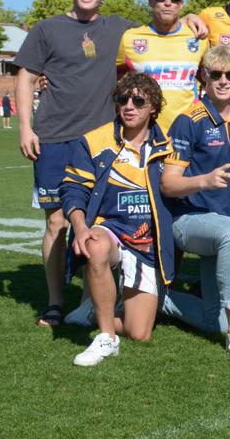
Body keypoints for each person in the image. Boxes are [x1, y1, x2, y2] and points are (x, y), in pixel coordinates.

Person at [13, 0, 204, 328]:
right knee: (56, 221)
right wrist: (25, 127)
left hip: (103, 139)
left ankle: (90, 299)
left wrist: (196, 16)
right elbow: (26, 77)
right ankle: (55, 302)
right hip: (54, 136)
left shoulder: (119, 29)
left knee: (99, 218)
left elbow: (162, 27)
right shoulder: (47, 29)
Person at [159, 45, 230, 359]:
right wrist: (204, 180)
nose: (222, 80)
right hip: (190, 220)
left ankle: (157, 298)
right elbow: (168, 183)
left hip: (225, 222)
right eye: (215, 74)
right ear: (204, 78)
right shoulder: (188, 121)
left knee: (211, 322)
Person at [60, 73, 175, 366]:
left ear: (153, 108)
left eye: (139, 100)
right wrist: (80, 226)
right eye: (122, 99)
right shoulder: (94, 141)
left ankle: (96, 309)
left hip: (147, 243)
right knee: (95, 245)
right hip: (108, 230)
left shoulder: (169, 146)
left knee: (140, 334)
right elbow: (73, 188)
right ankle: (107, 337)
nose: (129, 106)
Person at [117, 0, 210, 132]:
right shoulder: (130, 38)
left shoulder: (198, 37)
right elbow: (117, 77)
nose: (168, 2)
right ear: (151, 1)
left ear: (181, 4)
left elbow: (210, 78)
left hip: (187, 131)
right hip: (143, 132)